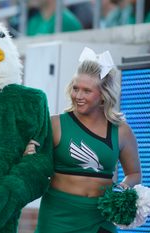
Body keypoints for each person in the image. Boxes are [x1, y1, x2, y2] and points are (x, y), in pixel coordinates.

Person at [31, 47, 142, 233]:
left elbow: (134, 173)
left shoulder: (122, 131)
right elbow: (35, 164)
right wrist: (30, 152)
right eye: (75, 88)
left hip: (100, 217)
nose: (78, 96)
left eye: (87, 91)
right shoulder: (55, 124)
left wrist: (122, 189)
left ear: (103, 96)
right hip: (58, 216)